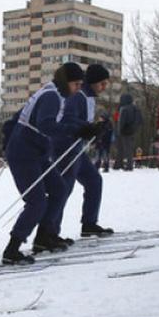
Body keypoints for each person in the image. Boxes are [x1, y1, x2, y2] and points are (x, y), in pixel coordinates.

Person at [2, 62, 84, 260]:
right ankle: (12, 249)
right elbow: (46, 125)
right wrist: (77, 130)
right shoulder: (51, 96)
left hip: (36, 151)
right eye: (76, 84)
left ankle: (43, 237)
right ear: (66, 82)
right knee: (36, 201)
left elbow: (60, 121)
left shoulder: (55, 94)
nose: (78, 89)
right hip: (24, 153)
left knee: (59, 189)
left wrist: (86, 127)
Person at [36, 63, 114, 242]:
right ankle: (49, 231)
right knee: (63, 188)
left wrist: (98, 128)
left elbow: (83, 122)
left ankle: (89, 223)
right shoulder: (78, 96)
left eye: (106, 83)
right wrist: (88, 128)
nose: (104, 87)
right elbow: (67, 119)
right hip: (65, 147)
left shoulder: (89, 96)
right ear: (93, 82)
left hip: (77, 148)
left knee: (94, 181)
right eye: (102, 83)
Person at [114, 93, 142, 171]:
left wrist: (119, 130)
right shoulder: (136, 108)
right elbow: (140, 120)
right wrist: (134, 129)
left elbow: (121, 121)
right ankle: (127, 165)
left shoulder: (123, 108)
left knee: (120, 148)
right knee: (129, 149)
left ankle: (120, 164)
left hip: (123, 131)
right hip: (132, 131)